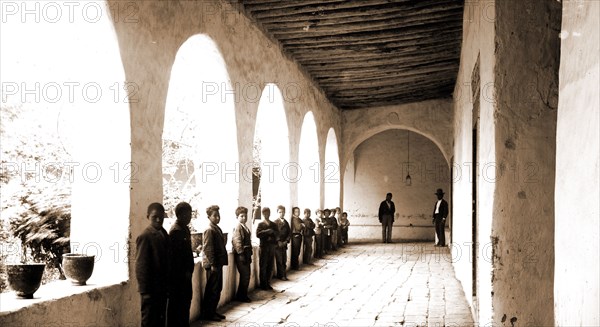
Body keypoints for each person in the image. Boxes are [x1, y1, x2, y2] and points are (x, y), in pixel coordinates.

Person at [136, 202, 170, 327]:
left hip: (162, 288)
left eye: (161, 217)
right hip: (150, 290)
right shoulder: (145, 236)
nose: (158, 219)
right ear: (147, 216)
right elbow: (141, 266)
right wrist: (145, 292)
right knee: (149, 321)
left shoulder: (164, 233)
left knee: (160, 320)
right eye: (154, 216)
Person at [167, 202, 194, 327]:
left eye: (190, 214)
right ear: (179, 215)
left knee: (185, 303)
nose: (189, 217)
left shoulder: (184, 229)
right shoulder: (176, 231)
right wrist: (184, 273)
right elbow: (175, 259)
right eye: (187, 214)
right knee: (177, 305)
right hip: (178, 278)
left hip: (185, 276)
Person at [201, 205, 228, 322]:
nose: (217, 218)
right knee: (212, 289)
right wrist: (212, 265)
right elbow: (208, 249)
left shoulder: (216, 228)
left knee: (217, 288)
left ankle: (213, 311)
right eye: (215, 216)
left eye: (218, 215)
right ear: (209, 217)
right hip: (213, 265)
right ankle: (208, 313)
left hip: (218, 263)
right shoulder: (209, 230)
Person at [231, 206, 253, 302]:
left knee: (247, 275)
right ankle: (241, 296)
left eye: (245, 216)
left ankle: (242, 294)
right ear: (237, 217)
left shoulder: (245, 227)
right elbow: (237, 241)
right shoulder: (238, 227)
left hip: (246, 254)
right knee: (245, 275)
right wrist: (241, 254)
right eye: (241, 216)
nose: (244, 218)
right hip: (241, 255)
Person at [256, 207, 278, 290]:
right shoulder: (260, 224)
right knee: (263, 265)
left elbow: (277, 234)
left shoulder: (273, 224)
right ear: (262, 214)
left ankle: (268, 283)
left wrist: (272, 236)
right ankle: (263, 284)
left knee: (270, 265)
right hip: (264, 247)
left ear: (270, 213)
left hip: (271, 247)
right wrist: (267, 232)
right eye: (265, 213)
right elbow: (258, 234)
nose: (266, 215)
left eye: (268, 213)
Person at [274, 205, 291, 280]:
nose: (281, 213)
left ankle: (283, 274)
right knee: (279, 260)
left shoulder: (286, 223)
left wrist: (286, 241)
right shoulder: (275, 222)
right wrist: (278, 241)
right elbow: (274, 233)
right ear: (277, 213)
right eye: (280, 212)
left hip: (284, 244)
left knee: (284, 260)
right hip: (278, 245)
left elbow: (289, 233)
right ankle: (281, 275)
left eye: (283, 212)